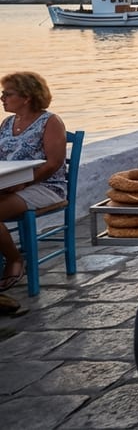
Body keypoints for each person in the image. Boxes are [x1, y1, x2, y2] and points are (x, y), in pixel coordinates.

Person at [0, 72, 67, 292]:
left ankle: (15, 259)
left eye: (7, 94)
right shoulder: (8, 123)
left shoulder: (50, 122)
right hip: (10, 185)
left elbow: (53, 163)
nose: (2, 98)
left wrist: (24, 183)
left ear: (27, 97)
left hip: (44, 186)